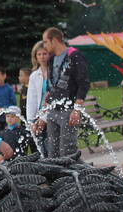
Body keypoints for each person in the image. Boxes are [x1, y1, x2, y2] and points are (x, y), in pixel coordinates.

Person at [36, 26, 89, 157]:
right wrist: (44, 114)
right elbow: (52, 86)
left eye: (46, 41)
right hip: (53, 111)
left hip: (68, 111)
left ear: (54, 40)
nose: (44, 45)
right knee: (52, 152)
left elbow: (83, 83)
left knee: (67, 151)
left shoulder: (74, 56)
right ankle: (57, 177)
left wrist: (77, 109)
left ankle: (79, 175)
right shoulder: (52, 59)